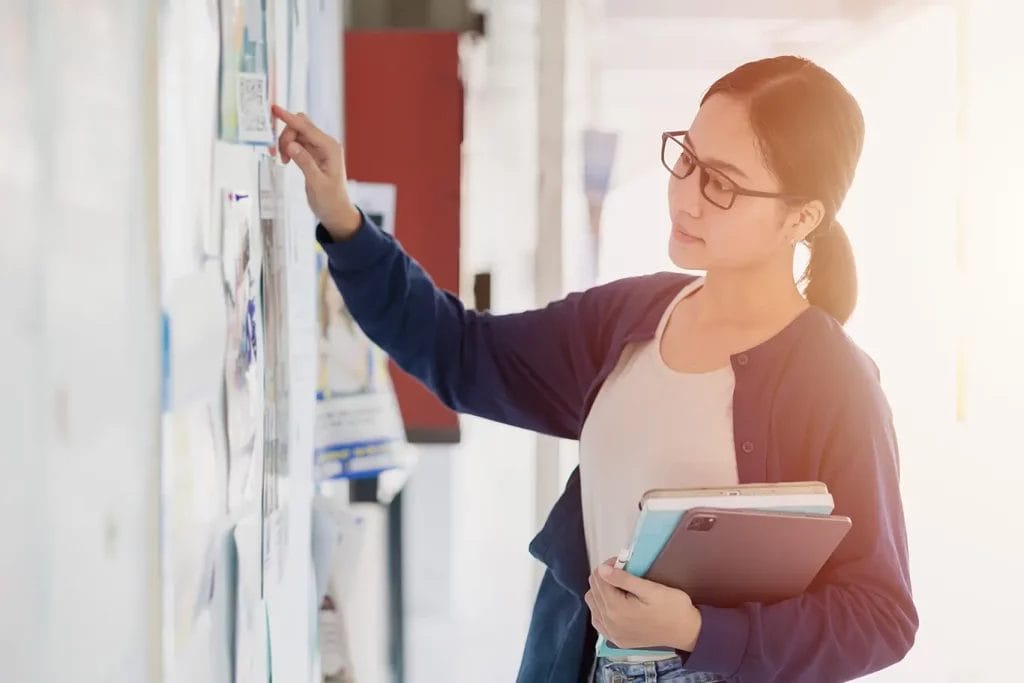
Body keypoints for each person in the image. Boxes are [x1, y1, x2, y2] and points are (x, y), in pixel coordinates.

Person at [271, 54, 917, 683]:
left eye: (720, 183)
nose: (686, 197)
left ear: (800, 217)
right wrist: (343, 218)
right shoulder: (632, 317)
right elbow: (462, 354)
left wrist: (699, 630)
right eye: (686, 159)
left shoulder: (838, 383)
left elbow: (881, 615)